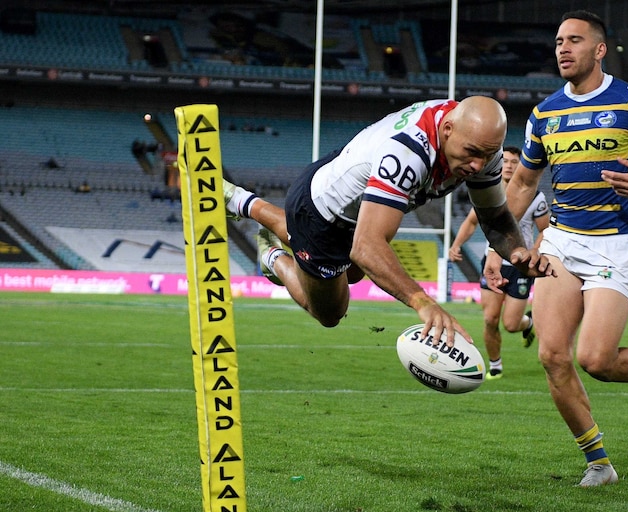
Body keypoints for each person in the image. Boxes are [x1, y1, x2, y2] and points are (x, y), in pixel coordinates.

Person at [489, 10, 628, 487]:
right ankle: (599, 463)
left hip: (614, 245)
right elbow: (522, 185)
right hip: (560, 240)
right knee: (551, 356)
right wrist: (499, 245)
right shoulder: (544, 113)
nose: (562, 48)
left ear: (599, 50)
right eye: (558, 40)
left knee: (596, 360)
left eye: (574, 40)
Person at [222, 96, 553, 347]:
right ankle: (272, 255)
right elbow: (366, 247)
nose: (479, 166)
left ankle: (250, 208)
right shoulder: (408, 153)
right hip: (321, 214)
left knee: (352, 275)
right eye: (472, 153)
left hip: (356, 201)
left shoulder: (476, 141)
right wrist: (422, 302)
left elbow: (494, 215)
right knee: (331, 313)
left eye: (487, 155)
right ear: (448, 130)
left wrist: (517, 253)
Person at [448, 145, 550, 380]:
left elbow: (545, 229)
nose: (509, 165)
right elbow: (472, 221)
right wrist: (456, 244)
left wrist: (534, 250)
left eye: (515, 162)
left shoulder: (535, 197)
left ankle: (528, 322)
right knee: (489, 318)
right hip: (492, 262)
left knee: (511, 324)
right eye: (505, 161)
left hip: (520, 265)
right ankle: (495, 365)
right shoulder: (489, 192)